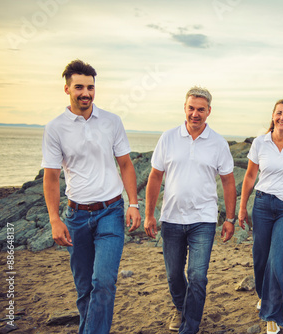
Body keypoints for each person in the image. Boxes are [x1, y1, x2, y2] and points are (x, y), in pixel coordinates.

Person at [42, 59, 141, 334]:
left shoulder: (111, 121)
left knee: (104, 281)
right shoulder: (55, 128)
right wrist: (54, 219)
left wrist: (133, 204)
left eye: (90, 87)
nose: (85, 93)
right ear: (67, 89)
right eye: (79, 87)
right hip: (75, 217)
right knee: (85, 287)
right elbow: (50, 177)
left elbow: (126, 164)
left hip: (111, 212)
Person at [144, 86, 236, 334]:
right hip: (171, 218)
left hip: (203, 220)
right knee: (174, 275)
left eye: (201, 110)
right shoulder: (168, 137)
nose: (195, 114)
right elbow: (154, 177)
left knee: (197, 276)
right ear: (185, 108)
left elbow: (228, 181)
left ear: (209, 111)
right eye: (191, 108)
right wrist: (149, 214)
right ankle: (181, 307)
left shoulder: (218, 143)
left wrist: (230, 219)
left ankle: (190, 327)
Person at [238, 97, 283, 334]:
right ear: (273, 116)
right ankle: (265, 296)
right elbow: (250, 176)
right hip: (262, 205)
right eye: (279, 113)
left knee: (278, 260)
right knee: (261, 259)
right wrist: (241, 207)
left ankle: (272, 314)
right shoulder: (260, 143)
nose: (282, 117)